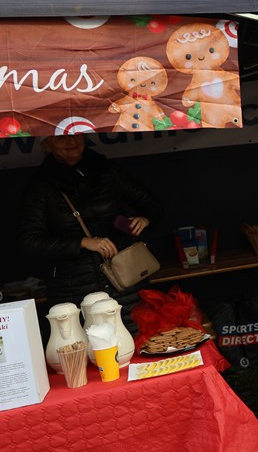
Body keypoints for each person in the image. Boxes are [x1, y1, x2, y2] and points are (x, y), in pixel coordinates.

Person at [18, 134, 162, 339]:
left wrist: (145, 218)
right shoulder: (40, 185)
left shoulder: (107, 171)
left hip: (124, 279)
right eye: (61, 138)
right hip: (73, 287)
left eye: (77, 136)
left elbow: (153, 204)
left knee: (140, 340)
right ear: (46, 145)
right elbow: (29, 241)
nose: (72, 142)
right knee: (92, 352)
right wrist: (82, 242)